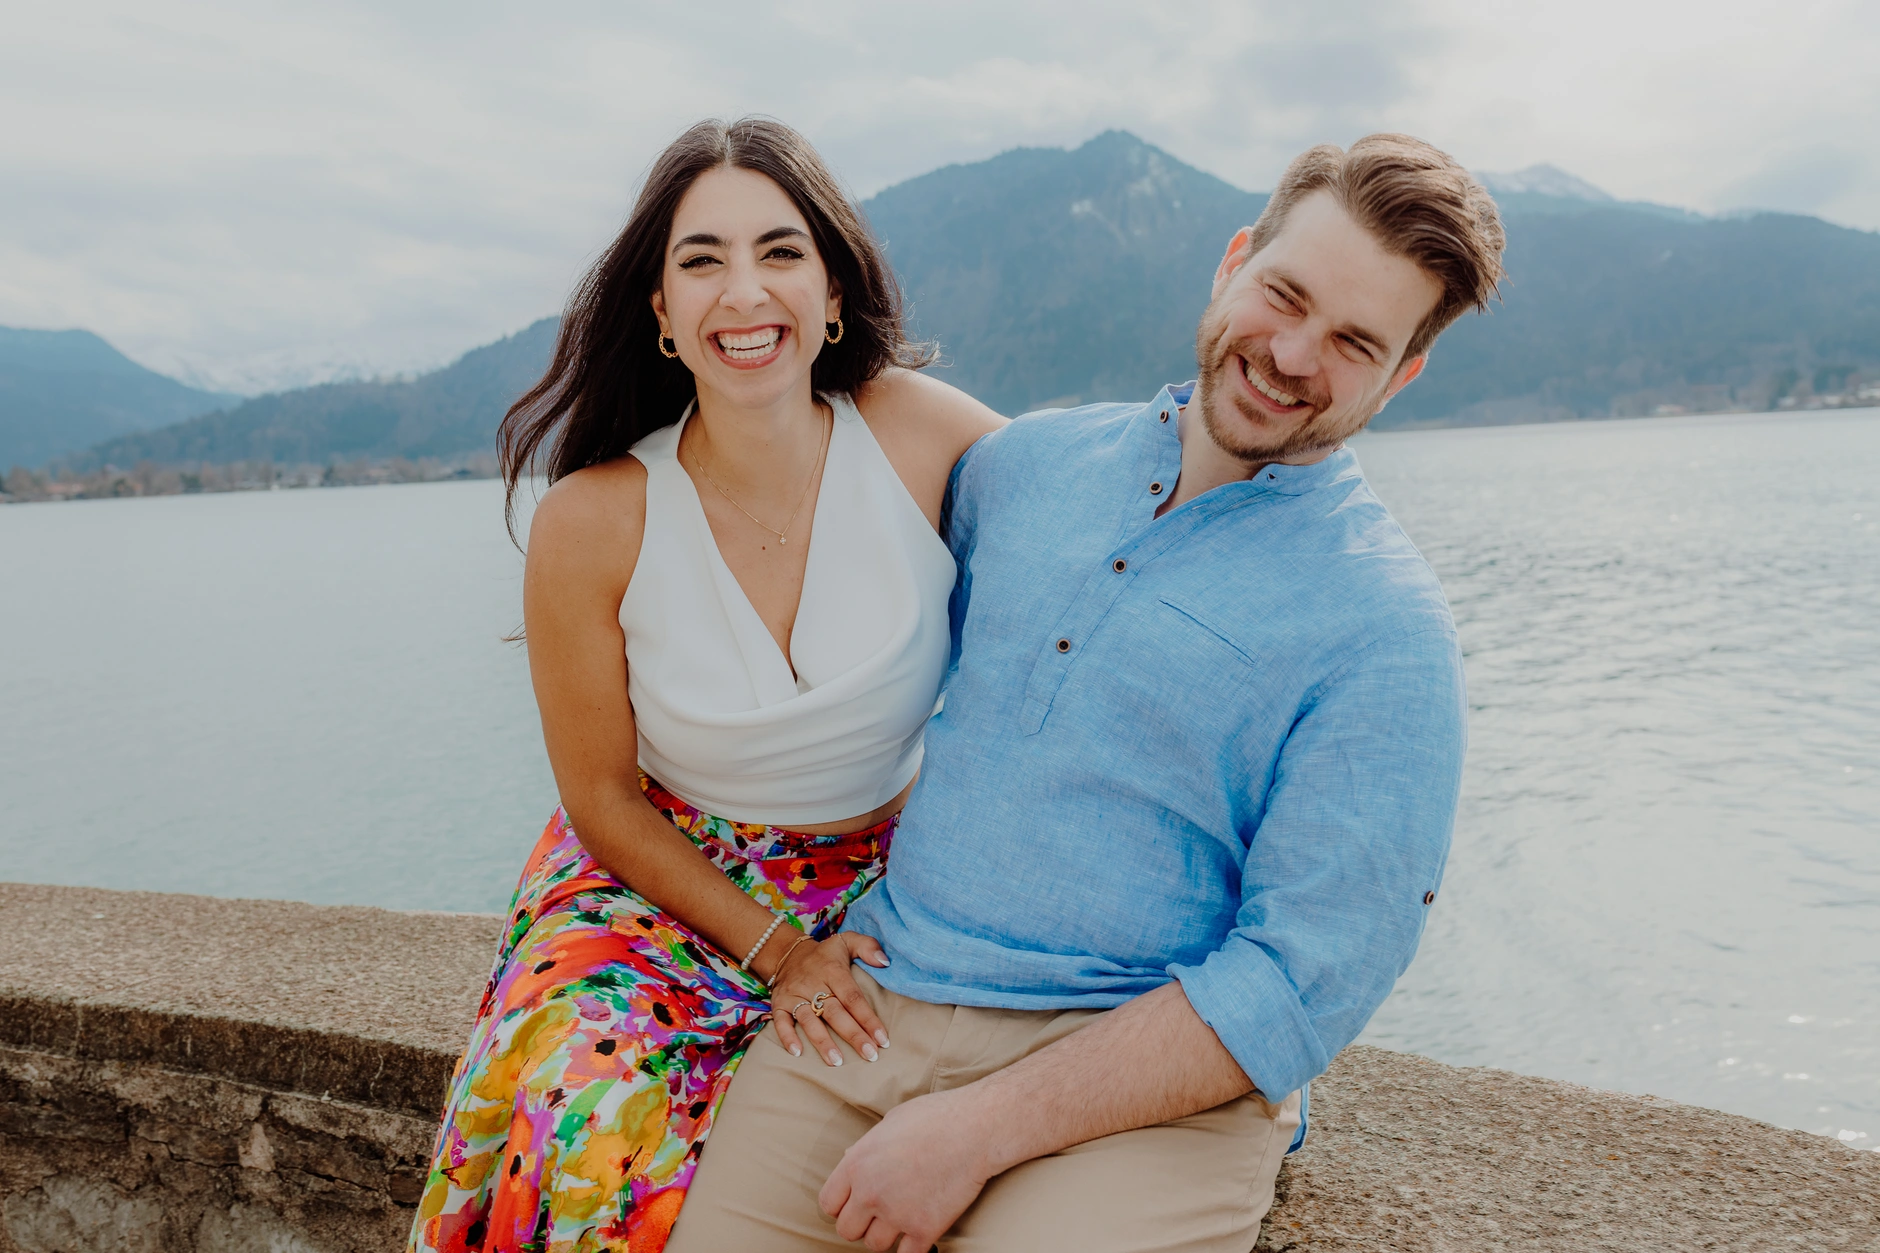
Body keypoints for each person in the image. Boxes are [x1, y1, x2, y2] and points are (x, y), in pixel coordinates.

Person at [666, 133, 1506, 1253]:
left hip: (1134, 1090)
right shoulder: (1021, 469)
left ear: (1401, 373)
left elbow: (1305, 974)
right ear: (1231, 260)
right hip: (866, 1008)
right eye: (1283, 293)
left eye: (1353, 340)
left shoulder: (1383, 626)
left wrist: (978, 1127)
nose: (1292, 353)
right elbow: (846, 613)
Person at [408, 117, 1002, 1253]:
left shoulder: (917, 433)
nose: (745, 291)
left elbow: (1100, 537)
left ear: (831, 295)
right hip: (658, 877)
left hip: (885, 879)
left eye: (780, 252)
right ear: (662, 314)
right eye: (701, 260)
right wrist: (775, 950)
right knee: (586, 1114)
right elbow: (600, 796)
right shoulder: (591, 518)